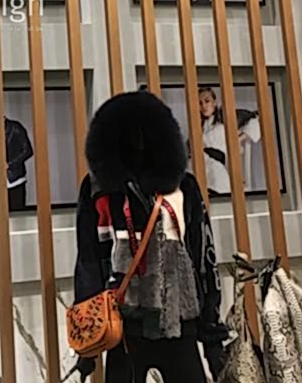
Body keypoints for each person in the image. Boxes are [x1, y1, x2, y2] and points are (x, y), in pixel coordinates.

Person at [72, 91, 226, 381]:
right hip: (124, 327)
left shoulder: (183, 187)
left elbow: (204, 259)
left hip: (179, 323)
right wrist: (87, 339)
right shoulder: (99, 192)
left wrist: (212, 336)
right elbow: (89, 262)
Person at [198, 86, 262, 197]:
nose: (204, 106)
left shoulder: (225, 117)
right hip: (202, 161)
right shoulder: (200, 126)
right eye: (200, 103)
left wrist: (239, 139)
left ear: (214, 102)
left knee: (215, 171)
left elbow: (254, 119)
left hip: (219, 162)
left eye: (207, 101)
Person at [0, 97, 33, 212]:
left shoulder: (14, 127)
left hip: (15, 179)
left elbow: (28, 151)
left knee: (17, 214)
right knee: (2, 214)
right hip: (0, 180)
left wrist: (9, 164)